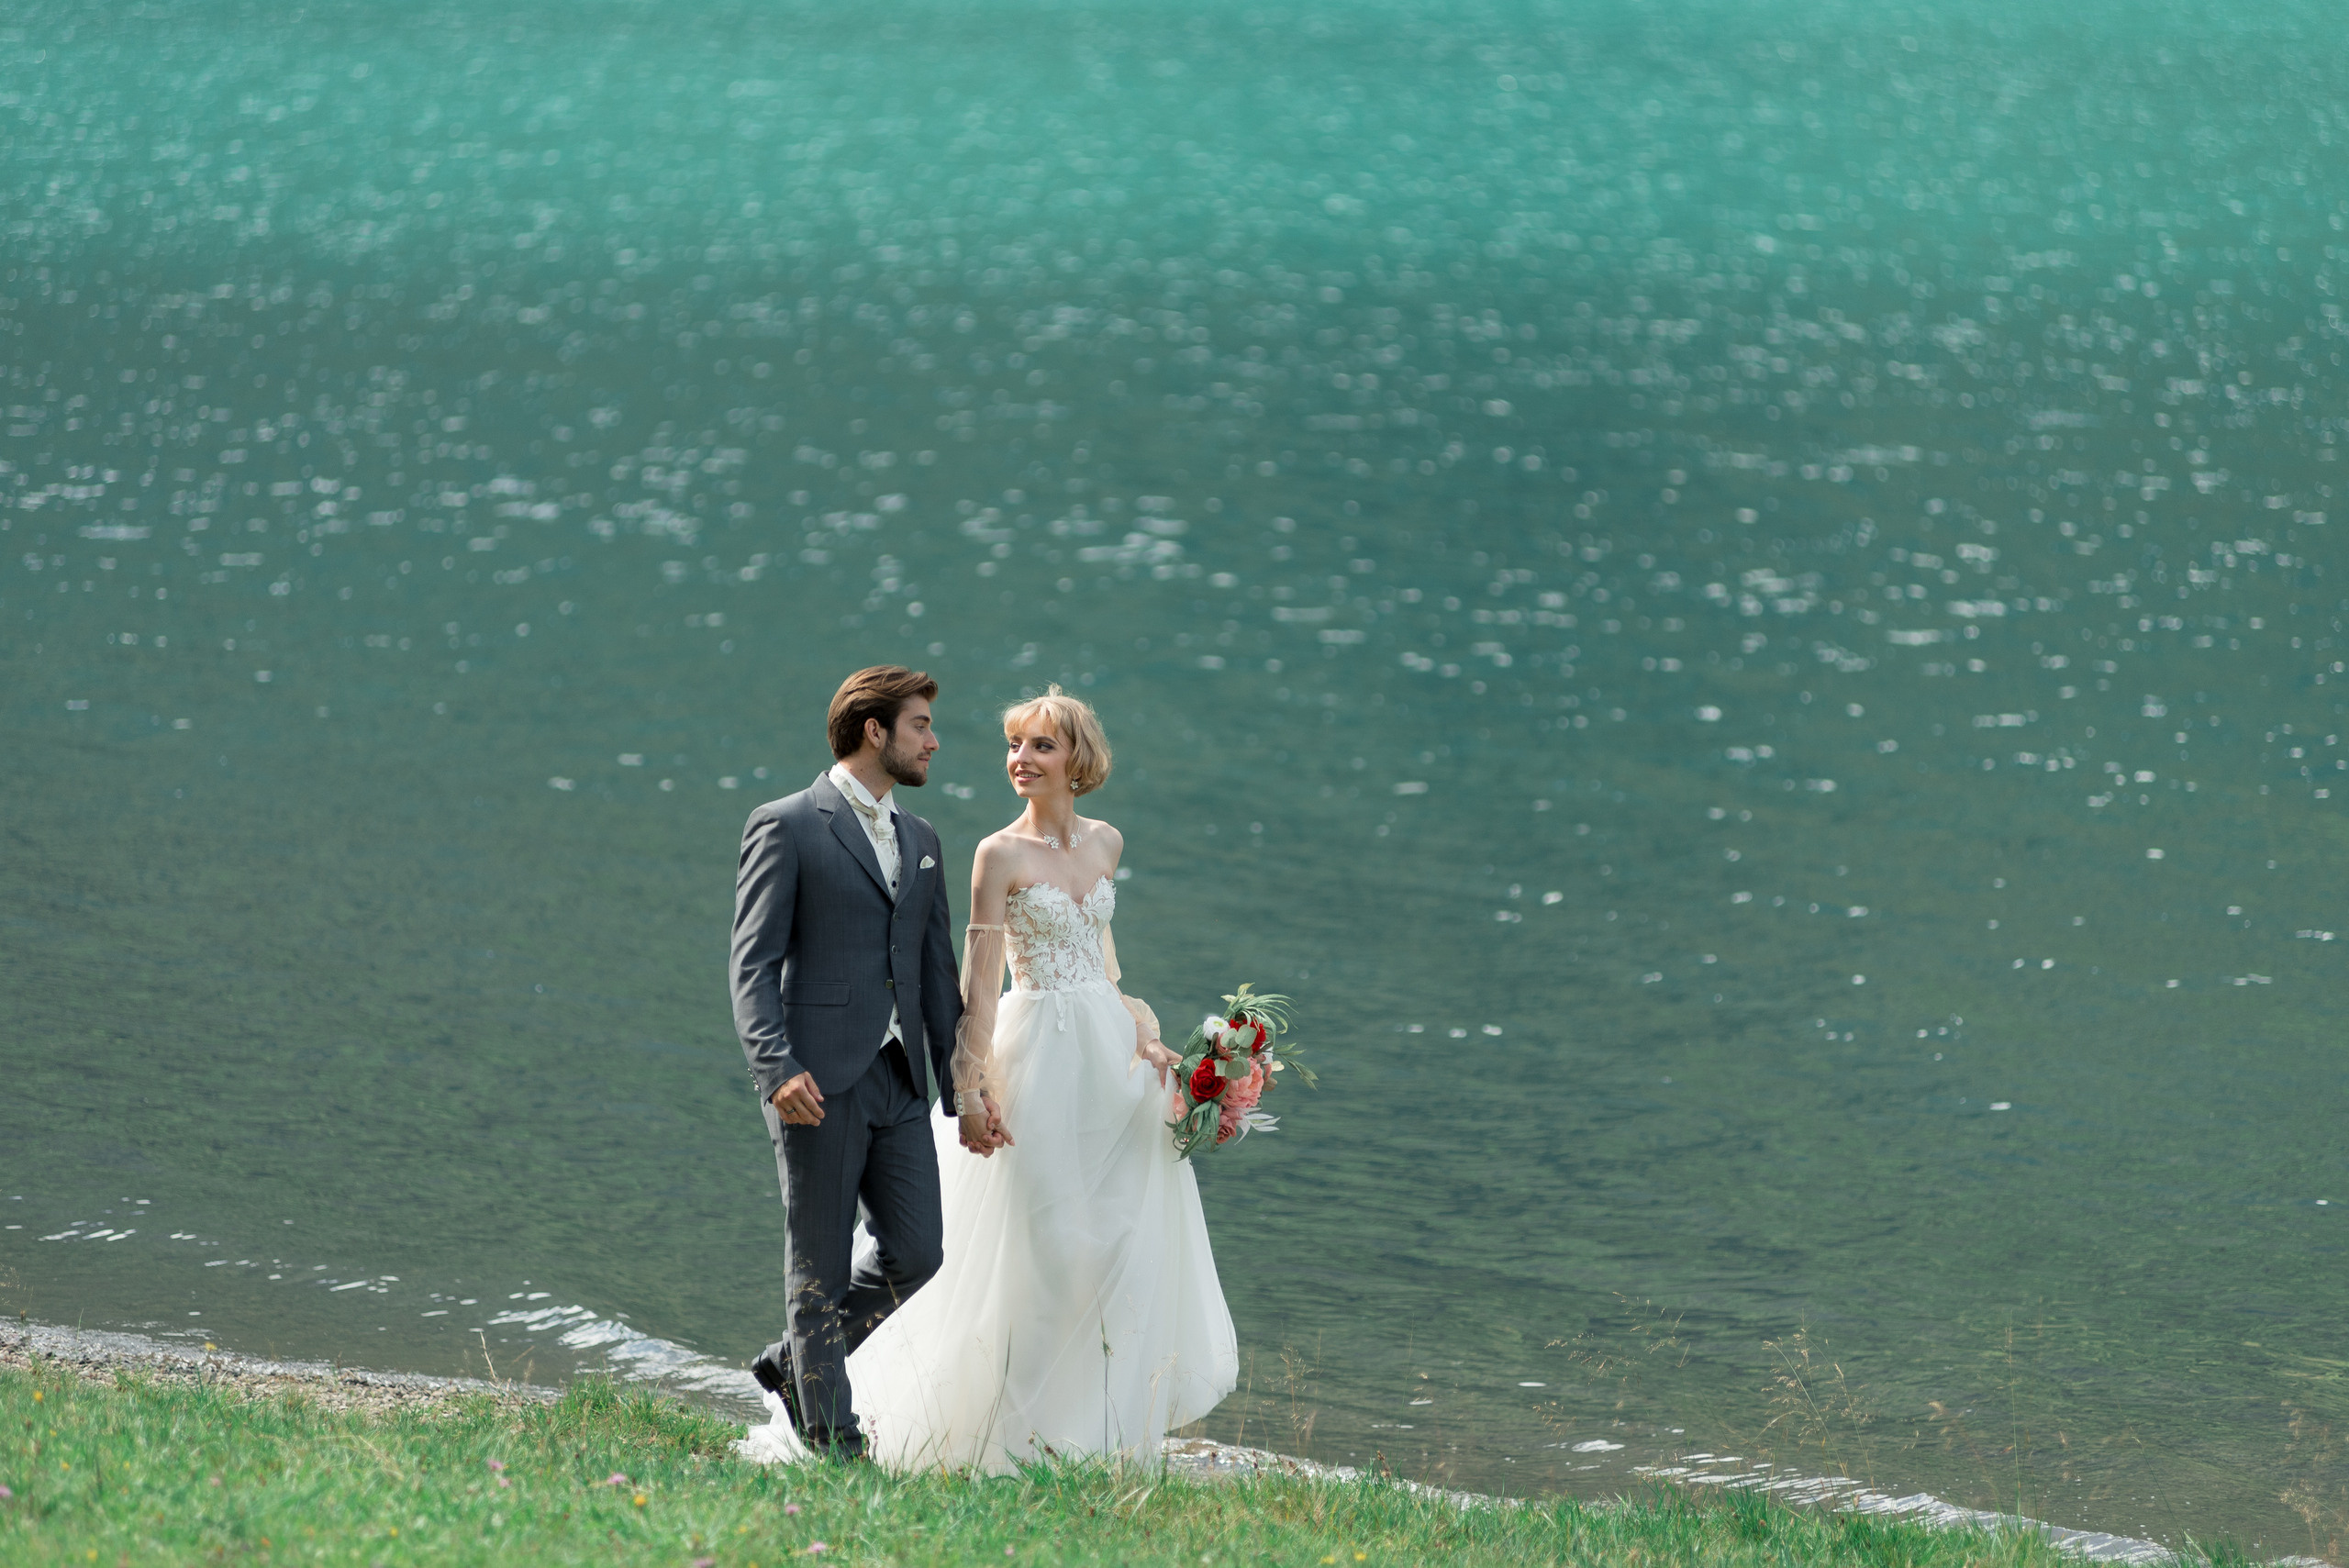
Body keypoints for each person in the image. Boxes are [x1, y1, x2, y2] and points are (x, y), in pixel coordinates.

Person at [740, 684, 1237, 1472]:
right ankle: (916, 1423)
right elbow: (971, 986)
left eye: (1039, 745)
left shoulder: (1102, 842)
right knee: (1040, 1249)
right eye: (1015, 745)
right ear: (878, 732)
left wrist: (1148, 1038)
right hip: (1029, 1052)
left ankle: (1087, 1427)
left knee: (1108, 1249)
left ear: (1077, 758)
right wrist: (969, 1086)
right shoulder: (992, 853)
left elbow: (1103, 964)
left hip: (1105, 1060)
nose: (1019, 758)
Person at [729, 665, 963, 1460]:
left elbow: (937, 977)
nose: (933, 740)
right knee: (817, 1265)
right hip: (813, 1080)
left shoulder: (923, 840)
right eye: (921, 724)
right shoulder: (787, 824)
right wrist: (774, 1066)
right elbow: (751, 964)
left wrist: (962, 1092)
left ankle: (796, 1363)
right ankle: (836, 1439)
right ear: (876, 730)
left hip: (898, 1081)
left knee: (919, 1248)